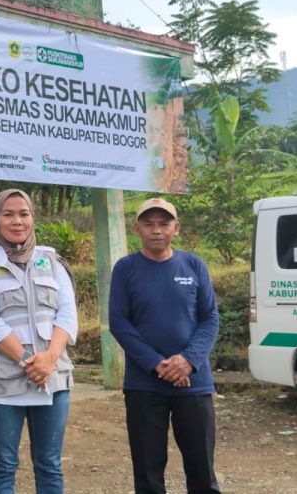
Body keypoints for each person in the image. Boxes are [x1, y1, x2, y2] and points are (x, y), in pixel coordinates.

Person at [0, 189, 78, 493]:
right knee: (3, 465)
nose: (17, 221)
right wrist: (31, 362)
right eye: (8, 214)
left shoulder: (52, 260)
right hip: (4, 384)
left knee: (50, 464)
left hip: (52, 378)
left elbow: (67, 314)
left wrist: (50, 358)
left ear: (33, 218)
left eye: (23, 214)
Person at [109, 197, 221, 494]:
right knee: (147, 474)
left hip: (193, 384)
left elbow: (210, 318)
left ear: (176, 228)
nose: (156, 230)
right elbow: (119, 323)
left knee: (202, 471)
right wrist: (159, 365)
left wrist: (188, 360)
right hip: (144, 386)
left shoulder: (193, 264)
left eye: (163, 223)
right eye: (148, 224)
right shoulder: (126, 268)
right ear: (137, 229)